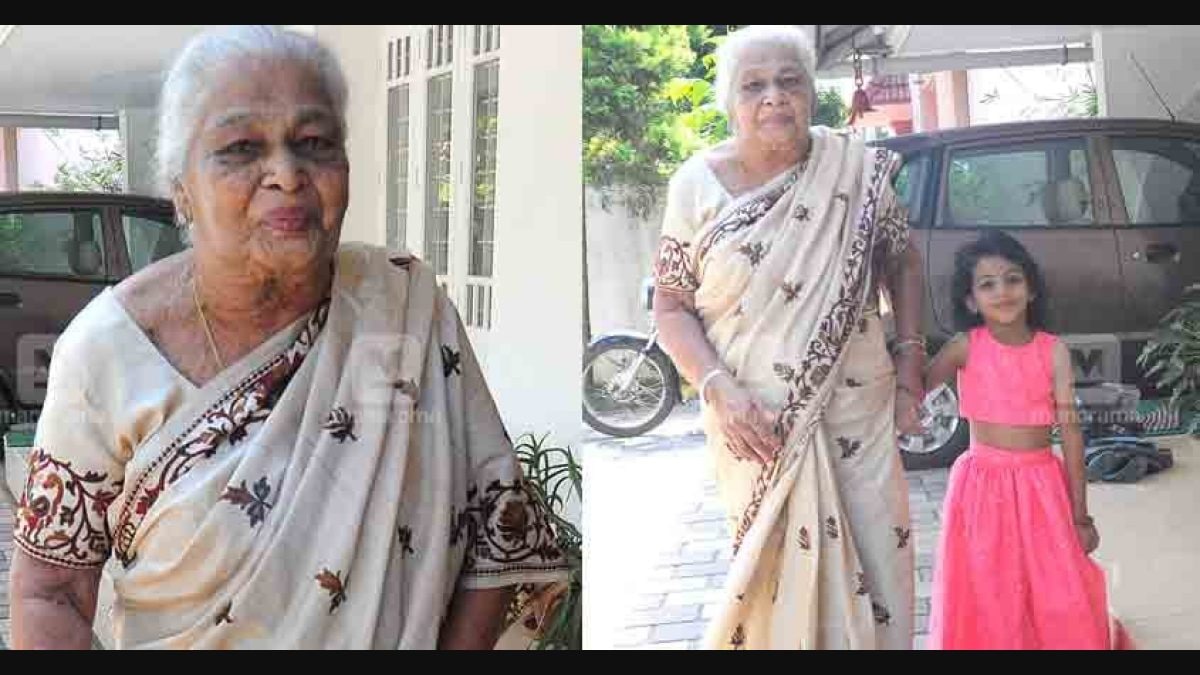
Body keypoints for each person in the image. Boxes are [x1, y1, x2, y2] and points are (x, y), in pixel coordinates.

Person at [9, 25, 566, 650]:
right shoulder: (106, 354)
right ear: (181, 189)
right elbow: (51, 589)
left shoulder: (405, 305)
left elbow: (497, 525)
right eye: (241, 147)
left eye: (315, 142)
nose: (287, 174)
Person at [651, 25, 925, 649]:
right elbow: (670, 306)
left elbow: (903, 261)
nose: (773, 96)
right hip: (754, 424)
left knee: (880, 566)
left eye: (789, 81)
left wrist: (911, 362)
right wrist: (718, 387)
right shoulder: (695, 186)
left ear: (811, 94)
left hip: (858, 412)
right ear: (729, 102)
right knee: (775, 580)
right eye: (754, 85)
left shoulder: (854, 171)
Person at [924, 231, 1133, 650]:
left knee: (1057, 582)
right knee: (989, 586)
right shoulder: (964, 347)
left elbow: (1070, 433)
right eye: (987, 284)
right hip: (981, 486)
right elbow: (917, 387)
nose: (1002, 291)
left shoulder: (1053, 350)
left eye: (1012, 279)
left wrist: (1081, 515)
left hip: (1042, 486)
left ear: (1031, 288)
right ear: (971, 301)